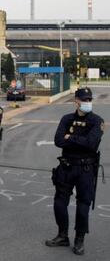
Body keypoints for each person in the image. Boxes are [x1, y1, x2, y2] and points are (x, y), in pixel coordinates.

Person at [46, 87, 104, 256]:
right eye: (84, 100)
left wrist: (70, 138)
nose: (87, 103)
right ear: (76, 101)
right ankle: (62, 235)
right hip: (66, 166)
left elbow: (92, 144)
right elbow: (58, 141)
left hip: (86, 169)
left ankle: (79, 239)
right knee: (59, 202)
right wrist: (80, 141)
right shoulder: (66, 119)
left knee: (83, 205)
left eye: (89, 100)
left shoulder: (97, 121)